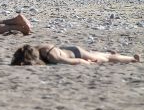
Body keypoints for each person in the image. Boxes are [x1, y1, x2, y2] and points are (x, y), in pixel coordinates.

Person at [11, 44, 140, 65]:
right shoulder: (35, 49)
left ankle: (131, 59)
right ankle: (111, 53)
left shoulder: (51, 56)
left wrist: (88, 63)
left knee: (105, 59)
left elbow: (76, 62)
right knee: (97, 54)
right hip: (69, 50)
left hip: (76, 53)